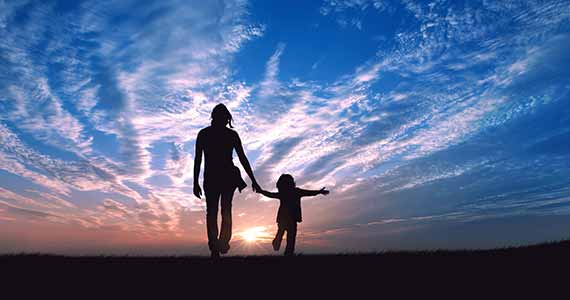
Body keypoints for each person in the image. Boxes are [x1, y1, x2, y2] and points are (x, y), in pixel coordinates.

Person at [193, 103, 261, 259]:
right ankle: (216, 246)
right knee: (217, 212)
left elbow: (243, 158)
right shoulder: (205, 134)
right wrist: (195, 182)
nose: (224, 120)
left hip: (224, 177)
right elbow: (198, 159)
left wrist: (253, 180)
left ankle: (221, 243)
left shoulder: (227, 135)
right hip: (213, 178)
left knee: (221, 211)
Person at [257, 174, 329, 256]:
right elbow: (271, 194)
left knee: (290, 236)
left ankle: (287, 252)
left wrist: (319, 192)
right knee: (285, 234)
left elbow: (309, 193)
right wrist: (319, 192)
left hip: (291, 219)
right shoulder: (288, 192)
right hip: (284, 219)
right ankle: (281, 246)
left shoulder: (294, 191)